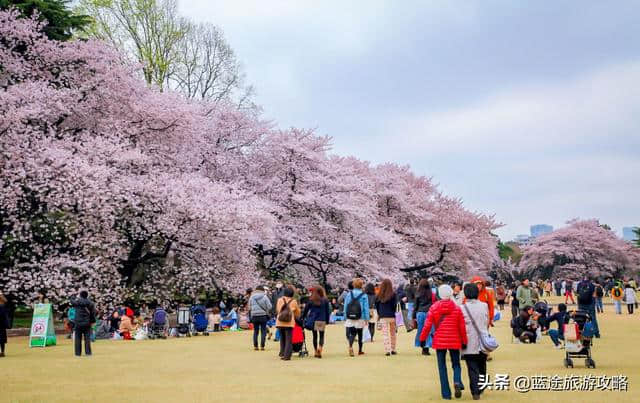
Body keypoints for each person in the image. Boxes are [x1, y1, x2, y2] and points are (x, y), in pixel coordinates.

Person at [420, 284, 467, 400]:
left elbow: (427, 326)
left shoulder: (434, 307)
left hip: (440, 340)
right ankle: (457, 380)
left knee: (442, 366)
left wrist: (422, 339)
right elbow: (462, 327)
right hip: (454, 340)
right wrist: (464, 341)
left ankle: (446, 393)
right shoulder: (456, 308)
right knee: (456, 364)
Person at [460, 283, 488, 400]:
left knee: (472, 368)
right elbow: (486, 321)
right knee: (482, 366)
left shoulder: (462, 308)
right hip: (482, 340)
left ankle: (475, 391)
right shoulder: (484, 305)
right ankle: (481, 386)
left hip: (468, 341)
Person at [343, 278, 370, 357]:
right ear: (361, 285)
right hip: (360, 316)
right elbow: (365, 308)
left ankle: (350, 346)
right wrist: (366, 318)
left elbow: (345, 306)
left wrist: (345, 316)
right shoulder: (364, 295)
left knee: (352, 333)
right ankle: (360, 350)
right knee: (360, 333)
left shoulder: (349, 294)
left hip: (350, 316)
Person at [302, 285, 331, 358]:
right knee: (321, 336)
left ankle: (315, 351)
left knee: (314, 336)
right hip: (321, 320)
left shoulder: (311, 300)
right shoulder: (325, 300)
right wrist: (327, 320)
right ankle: (320, 348)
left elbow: (305, 310)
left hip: (313, 320)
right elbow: (327, 312)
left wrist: (302, 317)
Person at [276, 286, 300, 361]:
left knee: (282, 338)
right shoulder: (294, 301)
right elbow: (297, 312)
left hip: (280, 321)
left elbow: (277, 310)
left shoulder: (280, 300)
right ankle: (287, 356)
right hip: (289, 322)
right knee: (288, 339)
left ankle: (282, 353)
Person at [375, 279, 398, 356]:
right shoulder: (393, 295)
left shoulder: (379, 295)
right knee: (393, 333)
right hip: (391, 316)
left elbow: (377, 306)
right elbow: (395, 306)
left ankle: (387, 350)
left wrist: (379, 314)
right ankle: (393, 349)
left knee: (385, 334)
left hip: (383, 316)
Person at [70, 290, 96, 356]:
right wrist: (92, 321)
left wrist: (73, 296)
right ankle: (88, 353)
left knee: (77, 338)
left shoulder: (77, 302)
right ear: (87, 295)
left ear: (80, 295)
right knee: (87, 338)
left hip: (78, 322)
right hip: (87, 323)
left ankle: (77, 353)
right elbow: (93, 313)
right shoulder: (90, 303)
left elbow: (72, 301)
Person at [412, 278, 433, 355]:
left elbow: (415, 306)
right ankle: (426, 347)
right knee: (428, 330)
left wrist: (413, 316)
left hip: (420, 313)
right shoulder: (430, 294)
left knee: (420, 330)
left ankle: (422, 345)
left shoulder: (418, 293)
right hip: (428, 313)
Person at [249, 285, 272, 351]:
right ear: (262, 290)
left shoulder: (252, 297)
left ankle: (255, 346)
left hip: (254, 316)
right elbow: (270, 306)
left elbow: (249, 307)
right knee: (263, 331)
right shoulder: (265, 296)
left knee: (255, 331)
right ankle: (262, 346)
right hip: (263, 315)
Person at [0, 293, 8, 357]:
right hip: (2, 324)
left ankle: (2, 352)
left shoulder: (2, 305)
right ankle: (2, 352)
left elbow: (5, 300)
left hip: (1, 324)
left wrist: (1, 294)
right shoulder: (3, 306)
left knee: (2, 338)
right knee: (2, 338)